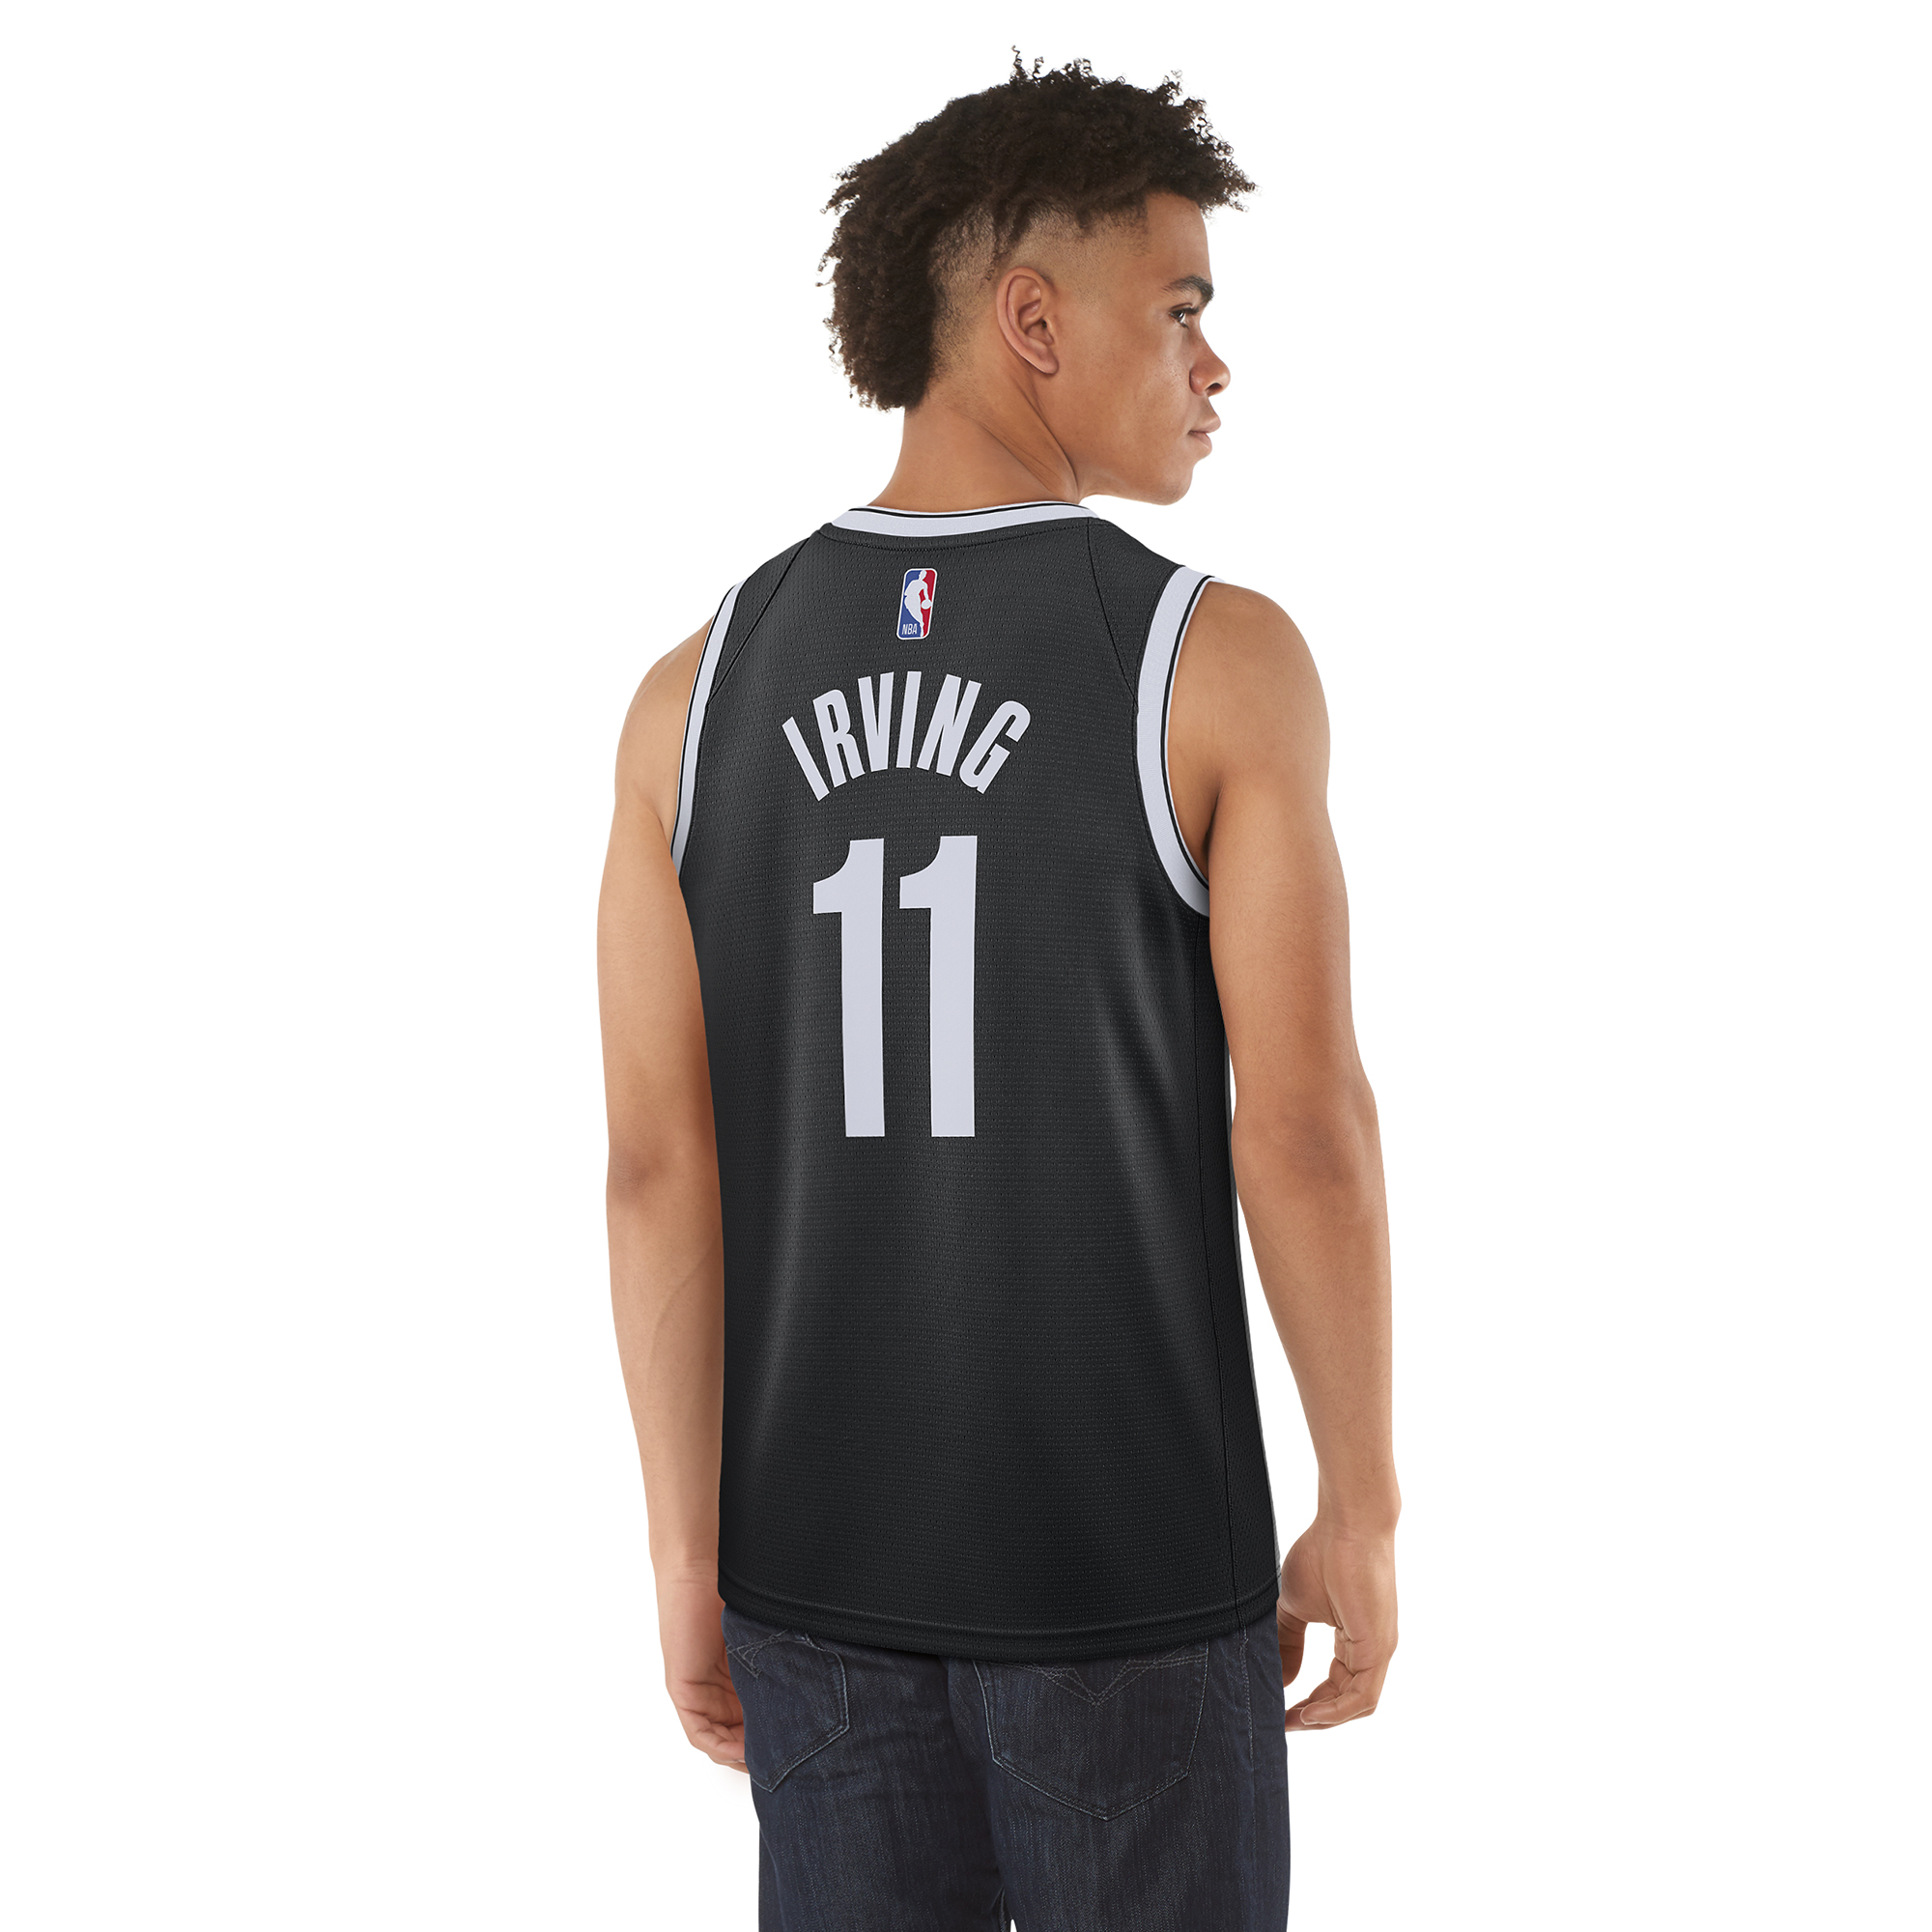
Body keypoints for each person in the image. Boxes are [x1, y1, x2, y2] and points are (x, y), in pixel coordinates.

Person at [597, 55, 1398, 1932]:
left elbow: (654, 1168)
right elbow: (1300, 1132)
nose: (1214, 365)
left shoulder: (689, 695)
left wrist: (683, 1552)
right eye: (1181, 307)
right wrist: (1361, 1504)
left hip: (813, 1583)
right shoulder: (1213, 659)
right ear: (1033, 322)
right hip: (1129, 1581)